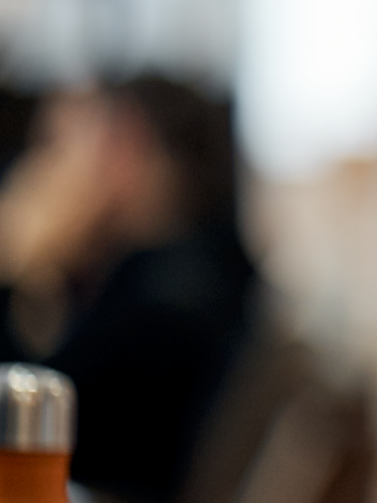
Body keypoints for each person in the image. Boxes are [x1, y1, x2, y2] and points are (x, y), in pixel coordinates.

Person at [0, 76, 260, 503]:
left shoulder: (167, 302)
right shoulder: (204, 272)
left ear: (124, 146)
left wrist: (16, 265)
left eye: (57, 148)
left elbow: (37, 427)